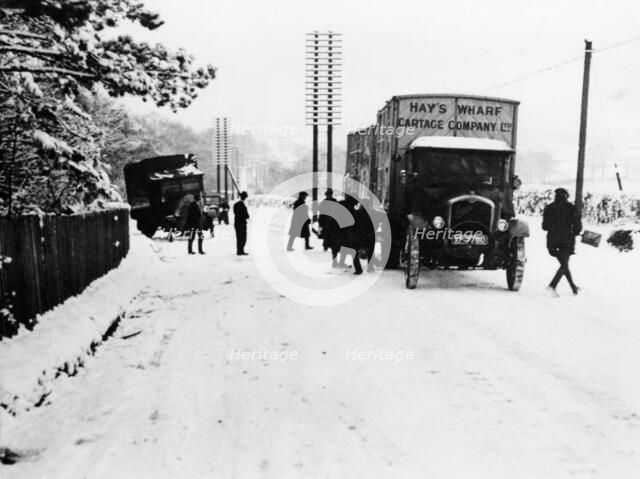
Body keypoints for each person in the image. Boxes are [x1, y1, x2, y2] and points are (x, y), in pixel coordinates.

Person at [542, 188, 582, 295]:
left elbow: (544, 227)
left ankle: (573, 287)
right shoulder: (571, 208)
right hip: (567, 240)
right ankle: (552, 286)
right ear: (566, 196)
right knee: (564, 265)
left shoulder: (549, 208)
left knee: (564, 265)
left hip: (552, 241)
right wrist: (576, 232)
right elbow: (577, 225)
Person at [318, 189, 339, 257]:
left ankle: (326, 246)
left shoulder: (324, 202)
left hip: (328, 220)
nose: (329, 195)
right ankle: (327, 246)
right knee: (329, 234)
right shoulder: (334, 201)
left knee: (328, 234)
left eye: (329, 194)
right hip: (329, 220)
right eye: (329, 194)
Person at [233, 191, 249, 255]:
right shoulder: (243, 206)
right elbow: (247, 216)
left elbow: (234, 212)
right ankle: (241, 250)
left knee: (238, 237)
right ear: (245, 198)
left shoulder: (236, 204)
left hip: (236, 223)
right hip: (242, 223)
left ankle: (239, 251)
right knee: (243, 238)